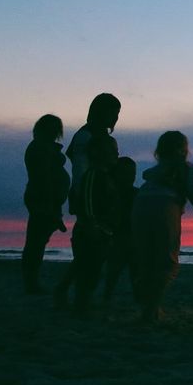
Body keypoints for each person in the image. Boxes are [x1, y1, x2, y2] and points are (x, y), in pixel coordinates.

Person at [132, 131, 193, 323]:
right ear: (184, 150)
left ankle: (149, 304)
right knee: (167, 261)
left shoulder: (154, 173)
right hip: (166, 207)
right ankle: (151, 309)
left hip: (140, 205)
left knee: (146, 258)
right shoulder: (189, 170)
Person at [55, 93, 120, 303]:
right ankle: (77, 295)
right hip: (90, 196)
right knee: (91, 247)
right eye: (113, 113)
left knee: (93, 249)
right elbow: (80, 170)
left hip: (101, 196)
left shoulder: (96, 136)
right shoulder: (87, 136)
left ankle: (65, 289)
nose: (115, 118)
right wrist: (82, 197)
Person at [64, 133, 119, 318]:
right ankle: (81, 305)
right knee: (87, 270)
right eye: (112, 151)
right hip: (89, 231)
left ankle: (82, 303)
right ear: (97, 152)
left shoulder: (107, 177)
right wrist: (91, 224)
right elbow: (86, 202)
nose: (116, 155)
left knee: (94, 269)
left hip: (103, 231)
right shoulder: (93, 175)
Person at [21, 114, 70, 294]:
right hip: (42, 198)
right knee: (36, 241)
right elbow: (43, 178)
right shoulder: (40, 148)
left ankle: (31, 280)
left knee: (38, 240)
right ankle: (31, 282)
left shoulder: (44, 147)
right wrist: (51, 204)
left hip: (47, 199)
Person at [102, 156, 138, 303]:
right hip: (117, 236)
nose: (130, 177)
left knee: (136, 270)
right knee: (114, 270)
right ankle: (107, 296)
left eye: (132, 174)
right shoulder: (110, 192)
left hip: (133, 236)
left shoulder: (136, 193)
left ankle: (138, 296)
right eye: (126, 173)